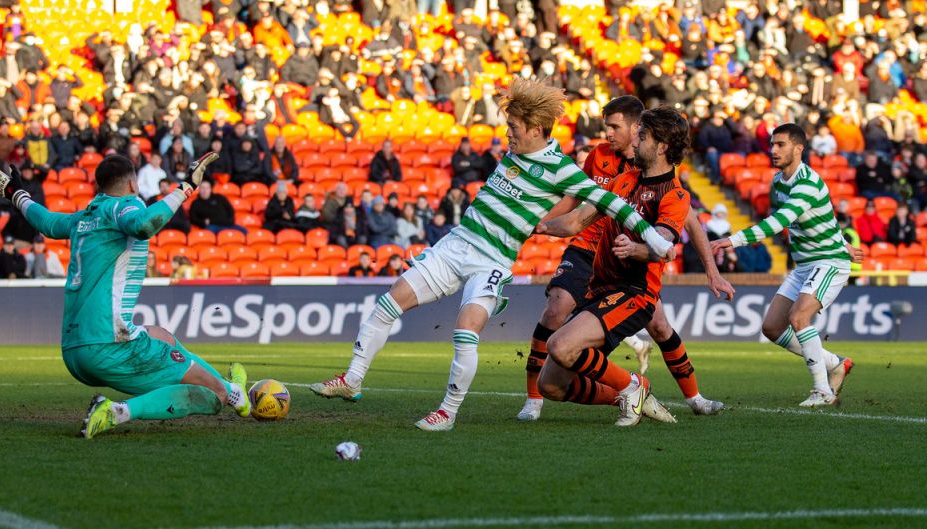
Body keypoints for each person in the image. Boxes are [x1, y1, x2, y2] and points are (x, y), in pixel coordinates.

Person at [308, 78, 674, 431]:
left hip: (491, 261)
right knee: (388, 304)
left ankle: (447, 414)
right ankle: (353, 379)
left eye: (513, 126)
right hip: (455, 245)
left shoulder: (562, 170)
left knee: (465, 331)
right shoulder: (513, 152)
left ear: (534, 128)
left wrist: (654, 242)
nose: (507, 133)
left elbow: (612, 204)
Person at [0, 152, 253, 439]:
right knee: (214, 396)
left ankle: (235, 390)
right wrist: (186, 186)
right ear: (133, 185)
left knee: (162, 336)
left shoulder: (85, 217)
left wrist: (14, 193)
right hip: (108, 344)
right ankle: (118, 412)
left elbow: (47, 221)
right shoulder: (123, 207)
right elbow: (143, 224)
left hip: (74, 350)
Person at [518, 97, 731, 422]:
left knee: (560, 345)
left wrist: (638, 250)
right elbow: (577, 220)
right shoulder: (622, 181)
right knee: (552, 386)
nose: (635, 140)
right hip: (598, 292)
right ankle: (626, 394)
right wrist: (540, 226)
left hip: (633, 293)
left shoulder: (674, 195)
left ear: (660, 147)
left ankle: (636, 387)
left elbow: (662, 244)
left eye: (642, 136)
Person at [711, 123, 861, 408]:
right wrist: (844, 240)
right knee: (772, 327)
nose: (773, 150)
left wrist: (735, 240)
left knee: (799, 318)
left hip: (829, 261)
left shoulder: (807, 183)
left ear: (799, 148)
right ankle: (836, 363)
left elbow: (779, 222)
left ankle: (822, 391)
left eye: (780, 144)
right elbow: (821, 219)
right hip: (805, 265)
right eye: (771, 144)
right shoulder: (778, 182)